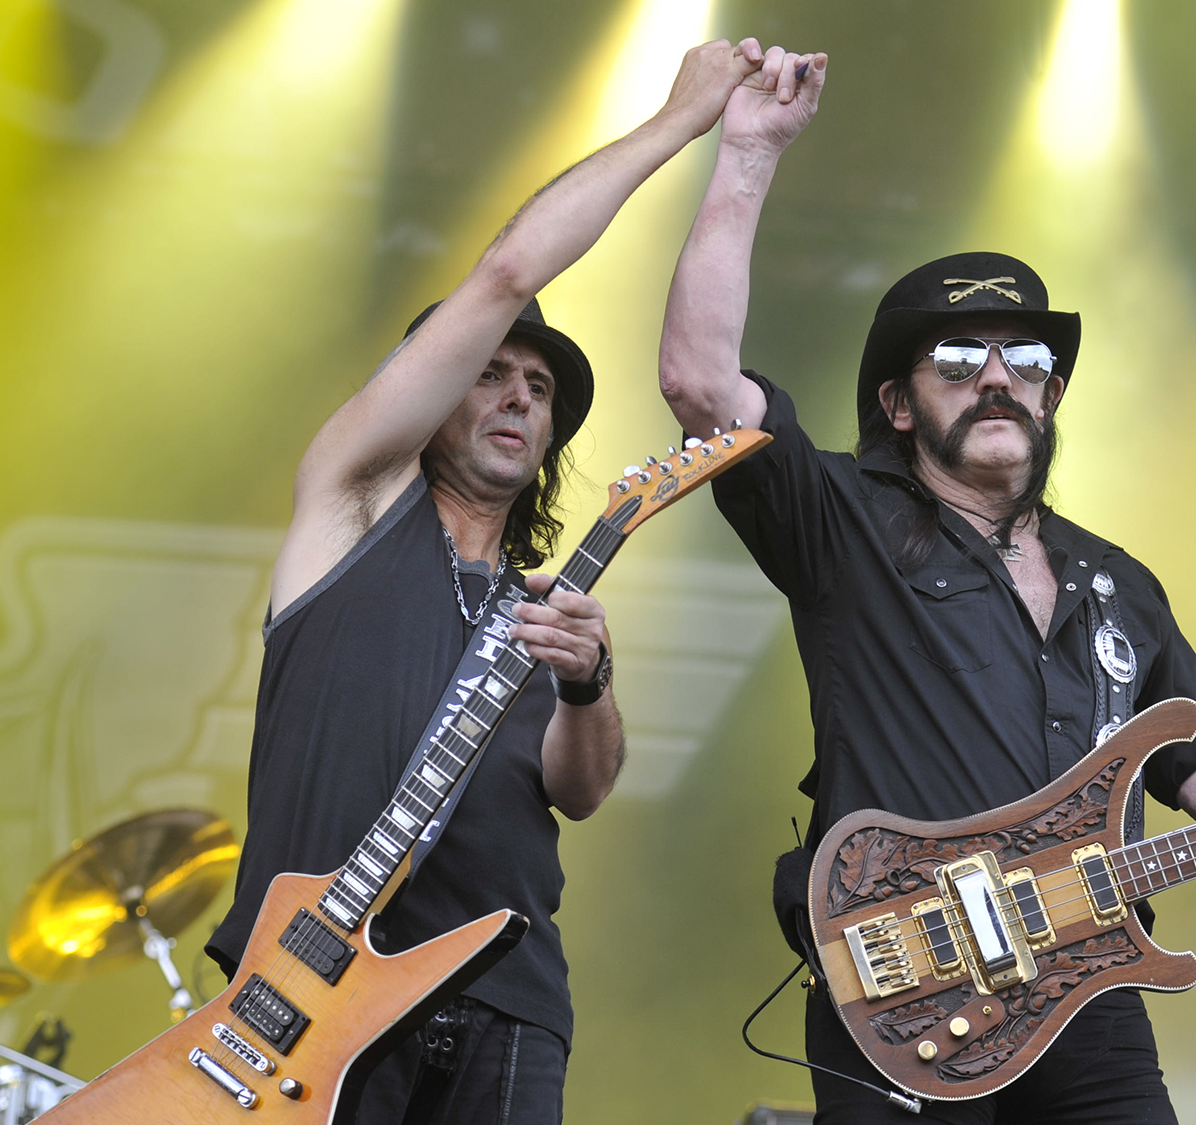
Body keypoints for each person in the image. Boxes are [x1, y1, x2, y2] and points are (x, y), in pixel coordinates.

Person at [654, 49, 1196, 1122]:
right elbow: (696, 381)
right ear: (898, 407)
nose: (998, 376)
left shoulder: (1116, 583)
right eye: (957, 358)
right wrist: (749, 152)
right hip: (909, 977)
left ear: (1051, 398)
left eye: (1026, 360)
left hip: (1083, 986)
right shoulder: (845, 522)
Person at [203, 39, 771, 1124]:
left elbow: (582, 791)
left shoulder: (543, 603)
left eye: (539, 387)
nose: (516, 396)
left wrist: (589, 681)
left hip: (505, 1002)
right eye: (488, 374)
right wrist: (678, 123)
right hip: (310, 1001)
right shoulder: (352, 506)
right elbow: (509, 274)